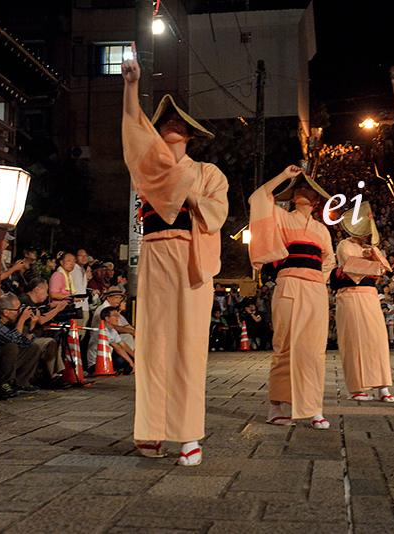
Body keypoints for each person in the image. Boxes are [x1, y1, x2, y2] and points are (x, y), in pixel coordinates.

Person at [122, 47, 229, 466]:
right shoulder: (148, 168)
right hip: (153, 251)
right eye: (164, 122)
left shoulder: (208, 173)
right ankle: (150, 429)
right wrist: (131, 85)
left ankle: (187, 434)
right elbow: (132, 127)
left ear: (189, 134)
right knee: (152, 343)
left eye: (177, 124)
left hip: (190, 256)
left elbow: (217, 215)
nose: (170, 126)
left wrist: (186, 188)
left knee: (187, 344)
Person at [249, 165, 335, 429]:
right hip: (287, 284)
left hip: (315, 289)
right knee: (284, 345)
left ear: (317, 200)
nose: (303, 191)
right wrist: (284, 176)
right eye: (299, 187)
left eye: (308, 189)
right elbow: (258, 198)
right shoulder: (282, 217)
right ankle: (276, 407)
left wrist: (319, 282)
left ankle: (313, 408)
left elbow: (328, 262)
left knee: (313, 349)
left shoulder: (322, 230)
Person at [332, 202, 394, 402]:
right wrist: (370, 262)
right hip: (350, 294)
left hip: (369, 295)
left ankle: (383, 386)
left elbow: (386, 267)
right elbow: (351, 267)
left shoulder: (371, 247)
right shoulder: (344, 244)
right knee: (355, 340)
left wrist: (373, 254)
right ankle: (356, 387)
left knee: (377, 340)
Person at [0, 293, 48, 397]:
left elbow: (25, 343)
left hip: (6, 361)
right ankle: (4, 384)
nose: (19, 312)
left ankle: (21, 383)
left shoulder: (12, 322)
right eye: (17, 310)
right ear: (6, 312)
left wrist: (31, 327)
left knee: (34, 347)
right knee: (11, 347)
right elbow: (11, 339)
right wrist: (21, 320)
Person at [17, 278, 71, 388]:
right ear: (37, 289)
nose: (47, 295)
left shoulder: (35, 304)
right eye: (46, 291)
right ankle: (51, 377)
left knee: (54, 342)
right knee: (50, 342)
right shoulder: (25, 301)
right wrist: (57, 310)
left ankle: (55, 375)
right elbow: (41, 320)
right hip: (25, 338)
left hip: (34, 336)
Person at [87, 307, 135, 374]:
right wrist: (131, 362)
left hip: (107, 360)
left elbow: (123, 344)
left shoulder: (112, 330)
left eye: (118, 316)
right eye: (115, 316)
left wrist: (135, 358)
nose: (117, 318)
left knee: (130, 357)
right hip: (96, 365)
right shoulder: (102, 330)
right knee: (122, 360)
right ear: (107, 318)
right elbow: (117, 347)